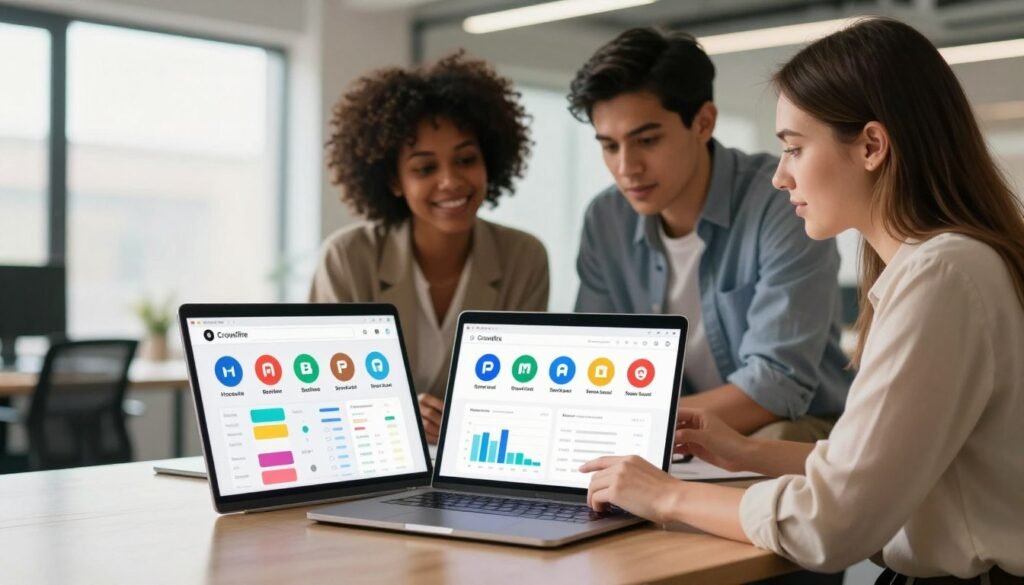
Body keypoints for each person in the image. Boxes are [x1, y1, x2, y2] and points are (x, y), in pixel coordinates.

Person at [581, 18, 1024, 582]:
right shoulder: (948, 263)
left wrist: (666, 496)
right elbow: (873, 468)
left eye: (794, 148)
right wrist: (747, 453)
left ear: (870, 146)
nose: (781, 177)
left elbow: (827, 524)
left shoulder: (941, 274)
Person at [567, 27, 851, 441]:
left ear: (703, 123)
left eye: (646, 140)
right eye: (609, 146)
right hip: (668, 434)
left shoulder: (782, 202)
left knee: (771, 439)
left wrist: (637, 423)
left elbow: (775, 386)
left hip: (795, 426)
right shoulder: (606, 219)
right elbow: (592, 366)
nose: (627, 167)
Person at [310, 53, 550, 443]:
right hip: (370, 460)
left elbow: (521, 395)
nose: (451, 181)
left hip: (478, 462)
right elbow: (322, 390)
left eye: (466, 159)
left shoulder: (524, 257)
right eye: (425, 168)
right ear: (394, 180)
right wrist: (394, 413)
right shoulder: (348, 257)